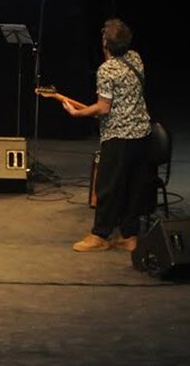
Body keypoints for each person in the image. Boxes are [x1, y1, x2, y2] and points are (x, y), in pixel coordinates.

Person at [62, 18, 156, 253]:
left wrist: (78, 113)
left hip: (119, 137)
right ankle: (129, 236)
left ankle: (100, 235)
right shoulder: (135, 57)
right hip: (142, 134)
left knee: (107, 187)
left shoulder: (106, 70)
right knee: (132, 187)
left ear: (105, 42)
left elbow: (103, 107)